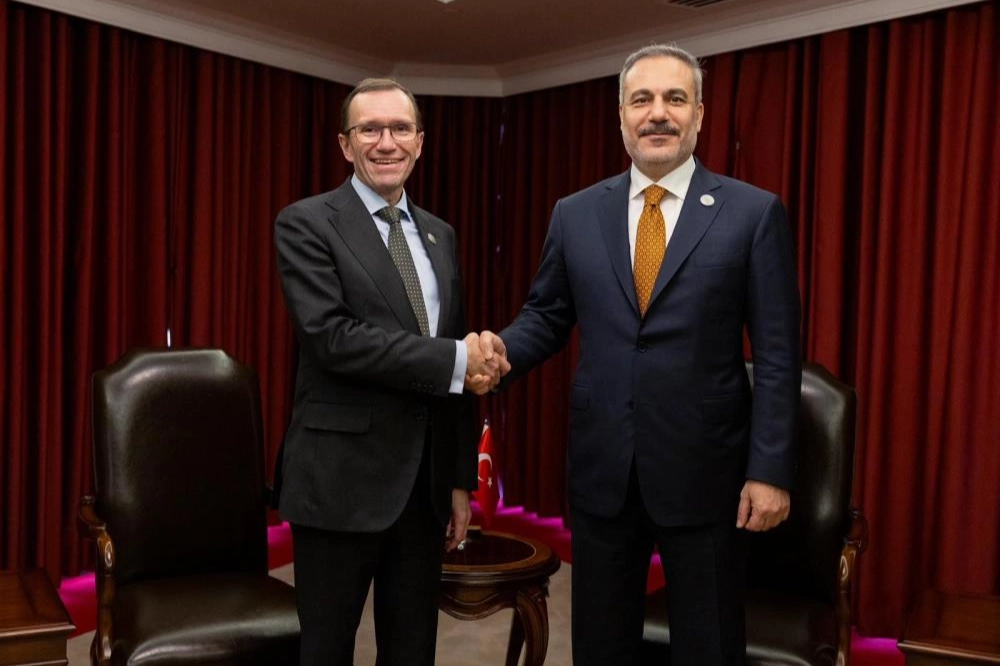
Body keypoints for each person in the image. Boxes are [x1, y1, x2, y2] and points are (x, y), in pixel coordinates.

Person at [480, 44, 802, 665]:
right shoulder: (575, 214)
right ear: (622, 116)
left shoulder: (753, 213)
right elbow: (546, 316)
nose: (658, 113)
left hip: (708, 474)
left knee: (709, 648)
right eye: (642, 100)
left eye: (675, 99)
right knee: (601, 646)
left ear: (699, 114)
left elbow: (779, 353)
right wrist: (498, 354)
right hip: (604, 470)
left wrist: (769, 471)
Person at [273, 78, 505, 666]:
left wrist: (459, 478)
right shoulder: (306, 223)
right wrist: (458, 360)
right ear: (345, 145)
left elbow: (454, 359)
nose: (386, 142)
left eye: (400, 129)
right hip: (339, 486)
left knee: (412, 650)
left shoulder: (440, 235)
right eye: (369, 129)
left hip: (423, 491)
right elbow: (334, 339)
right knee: (325, 651)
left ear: (420, 142)